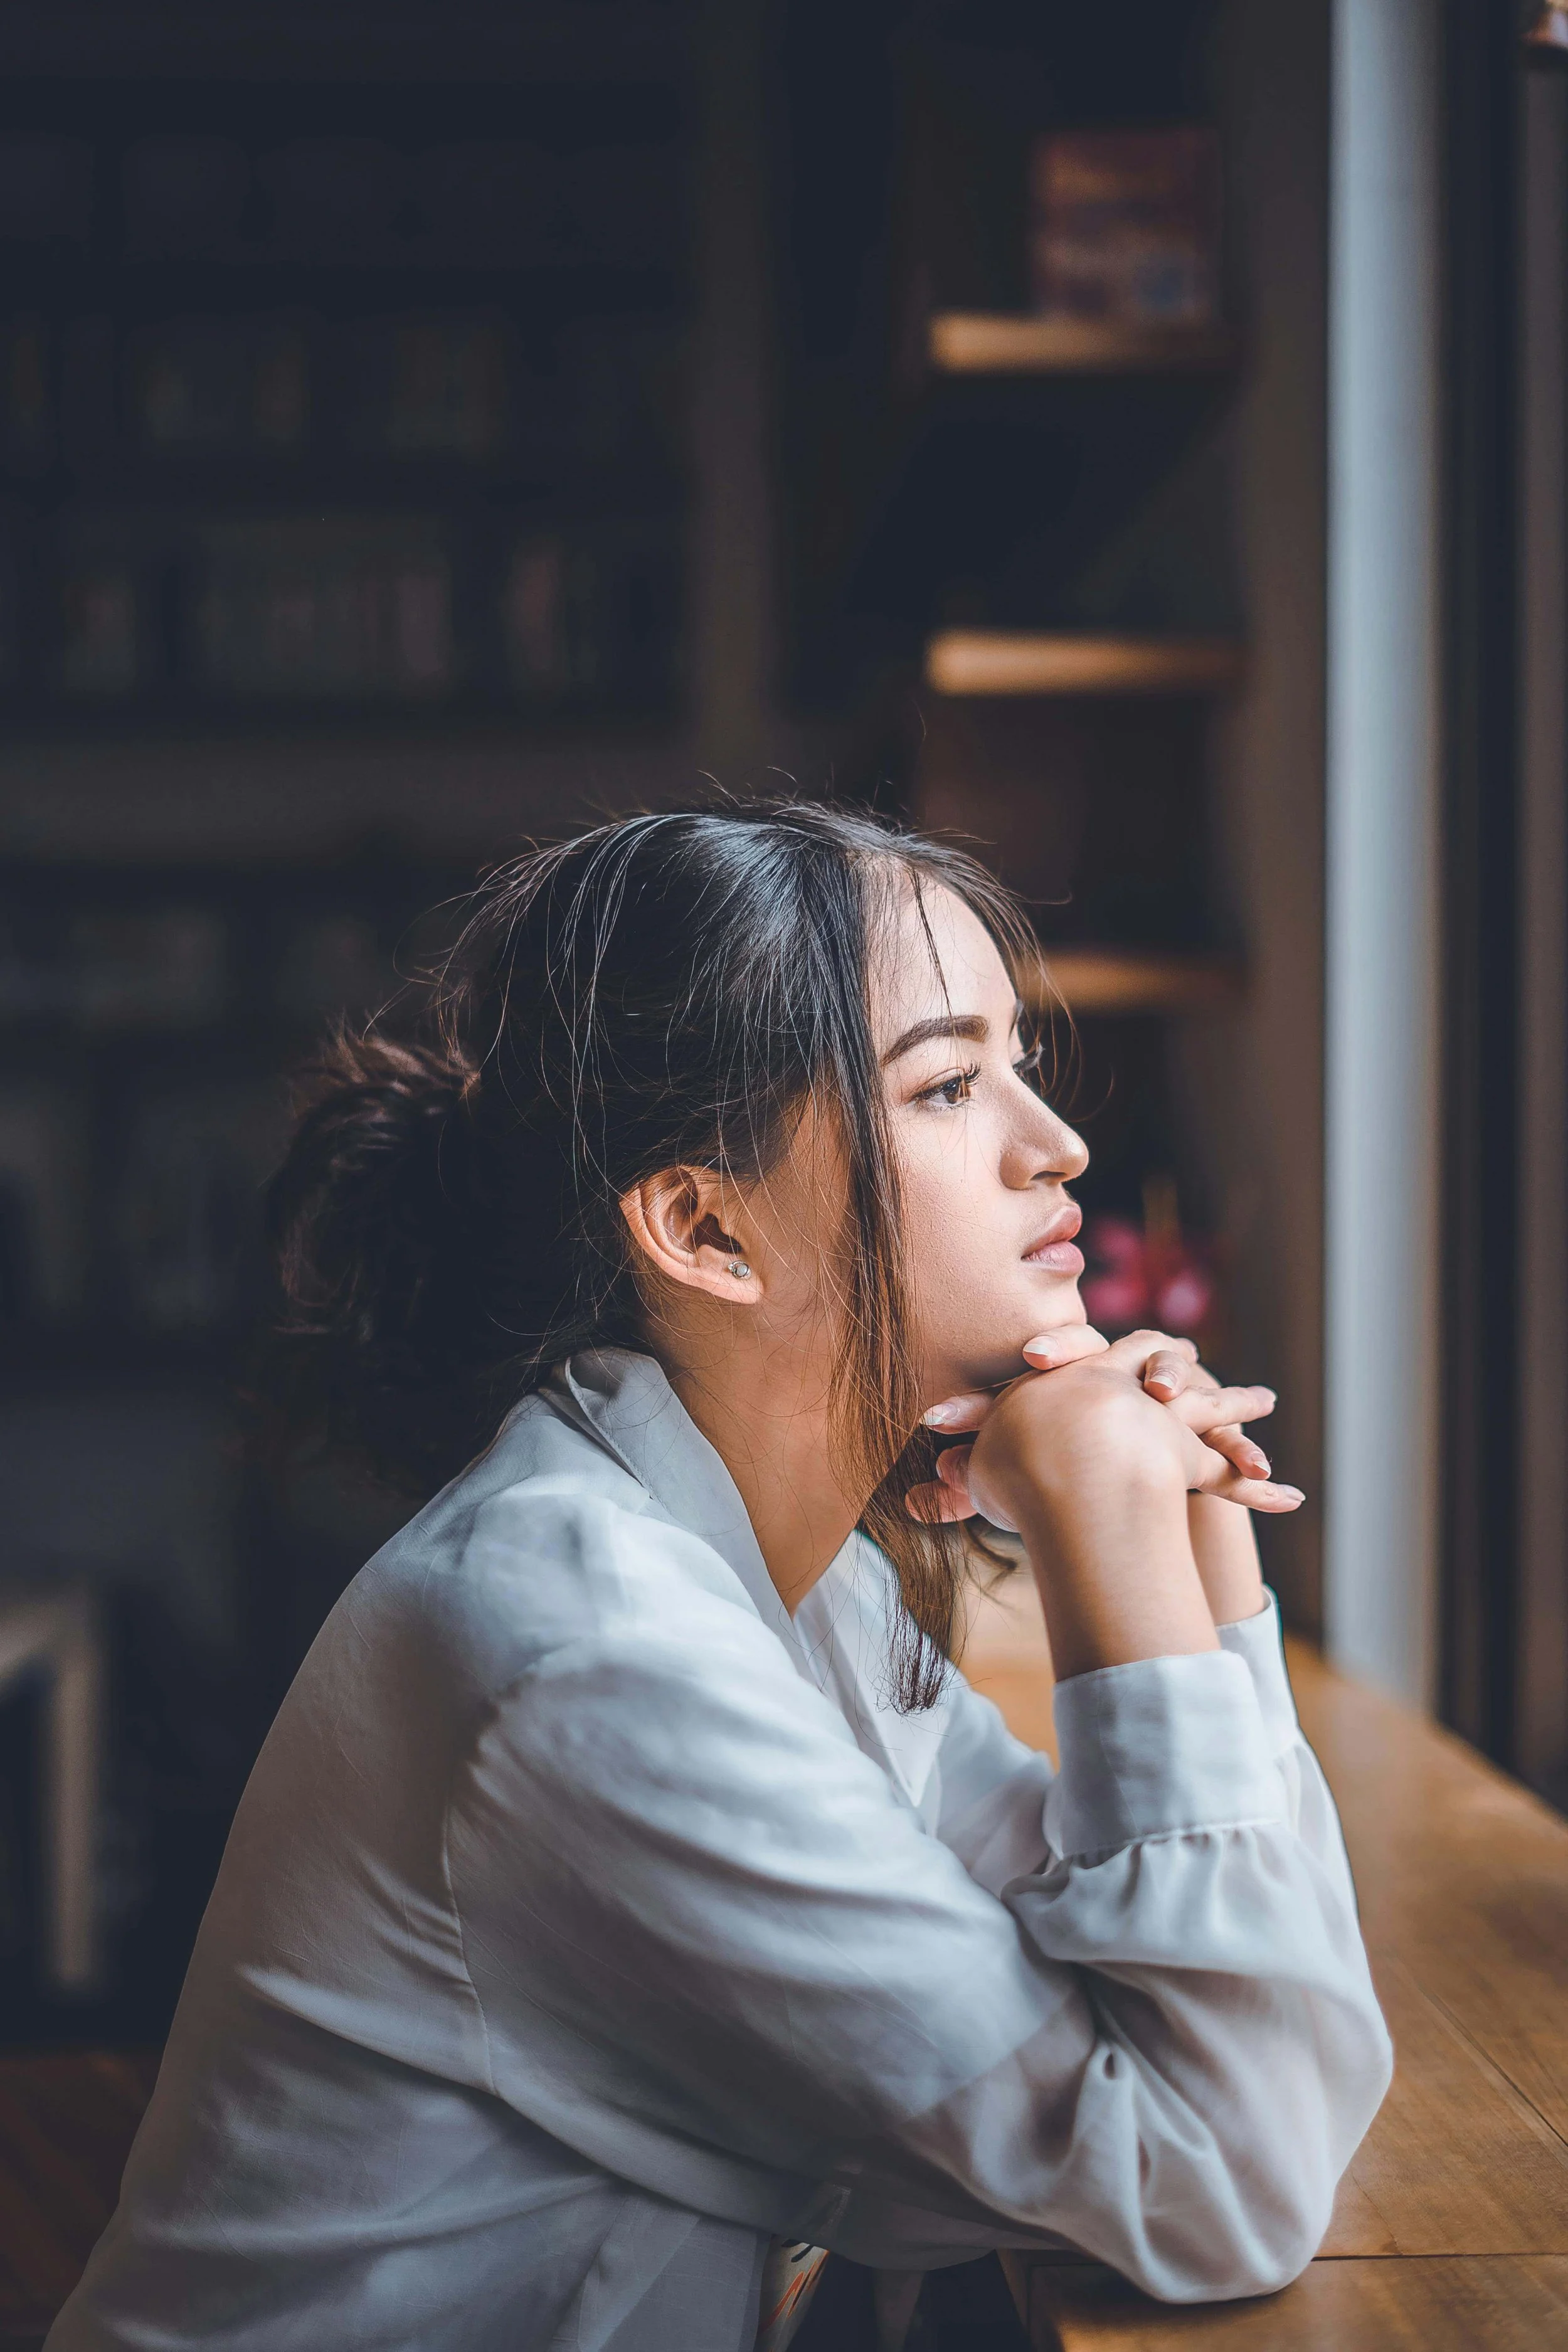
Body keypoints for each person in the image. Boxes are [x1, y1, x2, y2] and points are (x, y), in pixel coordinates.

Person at [48, 802, 1391, 2352]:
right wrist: (1105, 1523)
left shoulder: (795, 1586)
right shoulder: (593, 1659)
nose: (1058, 1145)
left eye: (1016, 1062)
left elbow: (1263, 2073)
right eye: (950, 1084)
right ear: (704, 1227)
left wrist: (1196, 1548)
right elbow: (1223, 2176)